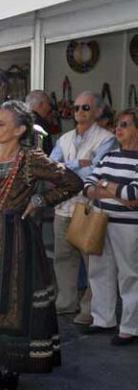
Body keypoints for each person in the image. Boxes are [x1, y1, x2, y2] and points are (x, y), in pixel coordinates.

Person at [0, 101, 83, 390]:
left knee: (13, 303)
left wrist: (40, 200)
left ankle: (9, 368)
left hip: (15, 240)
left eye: (2, 124)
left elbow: (72, 181)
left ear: (19, 130)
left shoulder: (31, 158)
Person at [49, 91, 117, 325]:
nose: (79, 112)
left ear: (98, 111)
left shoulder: (107, 138)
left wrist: (66, 171)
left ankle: (90, 308)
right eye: (76, 107)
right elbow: (51, 168)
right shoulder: (65, 138)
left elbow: (98, 171)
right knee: (63, 258)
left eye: (85, 108)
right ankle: (66, 302)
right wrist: (79, 163)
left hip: (89, 207)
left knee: (93, 262)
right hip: (63, 207)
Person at [82, 108, 138, 345]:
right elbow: (87, 186)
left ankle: (129, 326)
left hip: (128, 227)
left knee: (129, 275)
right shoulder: (108, 157)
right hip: (100, 221)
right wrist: (114, 190)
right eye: (117, 124)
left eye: (124, 124)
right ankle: (103, 319)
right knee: (99, 271)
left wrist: (103, 185)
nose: (118, 128)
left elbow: (133, 194)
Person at [25, 90, 55, 155]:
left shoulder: (18, 120)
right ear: (41, 104)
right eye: (48, 104)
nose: (50, 108)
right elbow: (45, 150)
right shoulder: (41, 124)